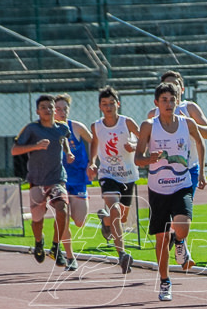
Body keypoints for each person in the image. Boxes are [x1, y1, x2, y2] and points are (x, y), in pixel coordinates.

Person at [134, 82, 207, 302]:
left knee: (182, 227)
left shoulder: (187, 123)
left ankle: (180, 243)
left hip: (181, 184)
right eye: (164, 100)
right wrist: (149, 159)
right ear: (156, 103)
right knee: (161, 237)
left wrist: (202, 173)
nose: (168, 103)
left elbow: (201, 144)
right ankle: (165, 281)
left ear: (178, 101)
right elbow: (138, 158)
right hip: (158, 189)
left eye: (172, 99)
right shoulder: (148, 126)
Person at [11, 94, 78, 271]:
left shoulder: (62, 128)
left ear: (55, 109)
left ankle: (56, 247)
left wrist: (68, 153)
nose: (47, 110)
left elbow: (63, 140)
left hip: (56, 179)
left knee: (63, 209)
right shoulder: (32, 129)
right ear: (37, 111)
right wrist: (35, 146)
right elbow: (14, 150)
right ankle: (39, 242)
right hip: (37, 181)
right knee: (37, 219)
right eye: (43, 107)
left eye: (50, 107)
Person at [88, 86, 139, 275]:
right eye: (104, 104)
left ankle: (105, 220)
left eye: (111, 103)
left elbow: (144, 139)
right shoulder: (97, 126)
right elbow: (94, 143)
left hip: (128, 175)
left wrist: (133, 144)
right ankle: (122, 255)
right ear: (100, 107)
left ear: (118, 104)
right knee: (116, 209)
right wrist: (92, 163)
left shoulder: (127, 123)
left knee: (122, 217)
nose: (108, 107)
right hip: (107, 174)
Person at [148, 70, 207, 198]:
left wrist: (191, 124)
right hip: (164, 170)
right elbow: (146, 141)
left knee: (182, 208)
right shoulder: (153, 114)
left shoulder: (189, 108)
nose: (172, 87)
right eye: (167, 84)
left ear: (182, 89)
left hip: (188, 167)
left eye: (175, 84)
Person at [52, 93, 93, 262]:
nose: (62, 112)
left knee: (80, 221)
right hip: (59, 180)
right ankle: (70, 256)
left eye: (65, 109)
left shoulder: (77, 127)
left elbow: (94, 141)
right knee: (64, 216)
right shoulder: (48, 130)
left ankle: (104, 218)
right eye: (58, 109)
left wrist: (92, 161)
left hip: (78, 179)